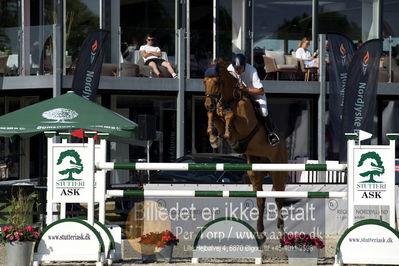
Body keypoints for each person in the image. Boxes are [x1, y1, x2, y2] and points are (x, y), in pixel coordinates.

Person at [227, 53, 280, 146]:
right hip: (239, 95)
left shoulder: (252, 71)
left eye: (240, 68)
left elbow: (261, 91)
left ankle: (271, 133)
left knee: (264, 111)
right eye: (236, 68)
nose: (237, 70)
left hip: (255, 94)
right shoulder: (230, 69)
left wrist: (246, 89)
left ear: (245, 66)